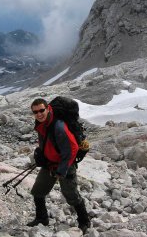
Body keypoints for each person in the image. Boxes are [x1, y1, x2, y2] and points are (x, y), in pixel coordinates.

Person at [27, 98, 91, 234]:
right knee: (38, 191)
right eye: (35, 112)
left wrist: (61, 170)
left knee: (71, 195)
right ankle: (42, 218)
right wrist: (42, 156)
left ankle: (84, 221)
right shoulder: (41, 123)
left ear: (48, 108)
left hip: (65, 165)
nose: (39, 114)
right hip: (49, 164)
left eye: (41, 110)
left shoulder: (58, 126)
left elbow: (72, 149)